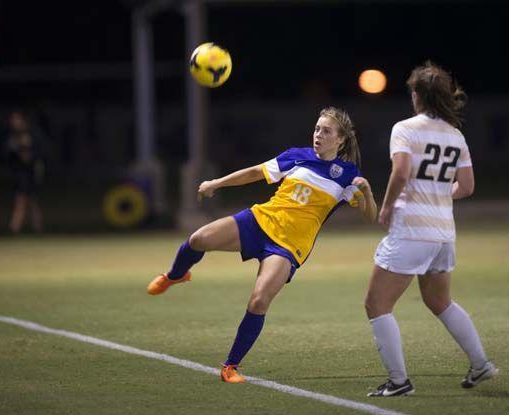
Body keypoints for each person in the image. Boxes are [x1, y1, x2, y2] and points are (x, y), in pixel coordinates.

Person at [147, 107, 377, 383]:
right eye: (317, 129)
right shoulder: (296, 156)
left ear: (340, 140)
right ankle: (175, 275)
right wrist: (216, 183)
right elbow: (255, 172)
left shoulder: (347, 174)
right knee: (198, 239)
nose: (318, 134)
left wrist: (366, 193)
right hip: (259, 221)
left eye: (326, 131)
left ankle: (230, 366)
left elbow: (369, 216)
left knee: (259, 301)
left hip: (288, 247)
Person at [364, 62, 497, 397]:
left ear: (418, 95)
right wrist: (438, 195)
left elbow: (401, 170)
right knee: (439, 301)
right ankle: (480, 363)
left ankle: (398, 382)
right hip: (443, 235)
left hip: (412, 230)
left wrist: (388, 205)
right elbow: (466, 186)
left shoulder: (405, 128)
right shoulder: (455, 134)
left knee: (376, 304)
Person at [4, 111, 45, 234]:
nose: (14, 122)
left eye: (16, 119)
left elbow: (28, 158)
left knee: (22, 201)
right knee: (30, 201)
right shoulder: (14, 136)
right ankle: (37, 228)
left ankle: (14, 228)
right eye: (12, 120)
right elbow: (8, 155)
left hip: (26, 174)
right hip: (19, 173)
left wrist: (21, 148)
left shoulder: (28, 135)